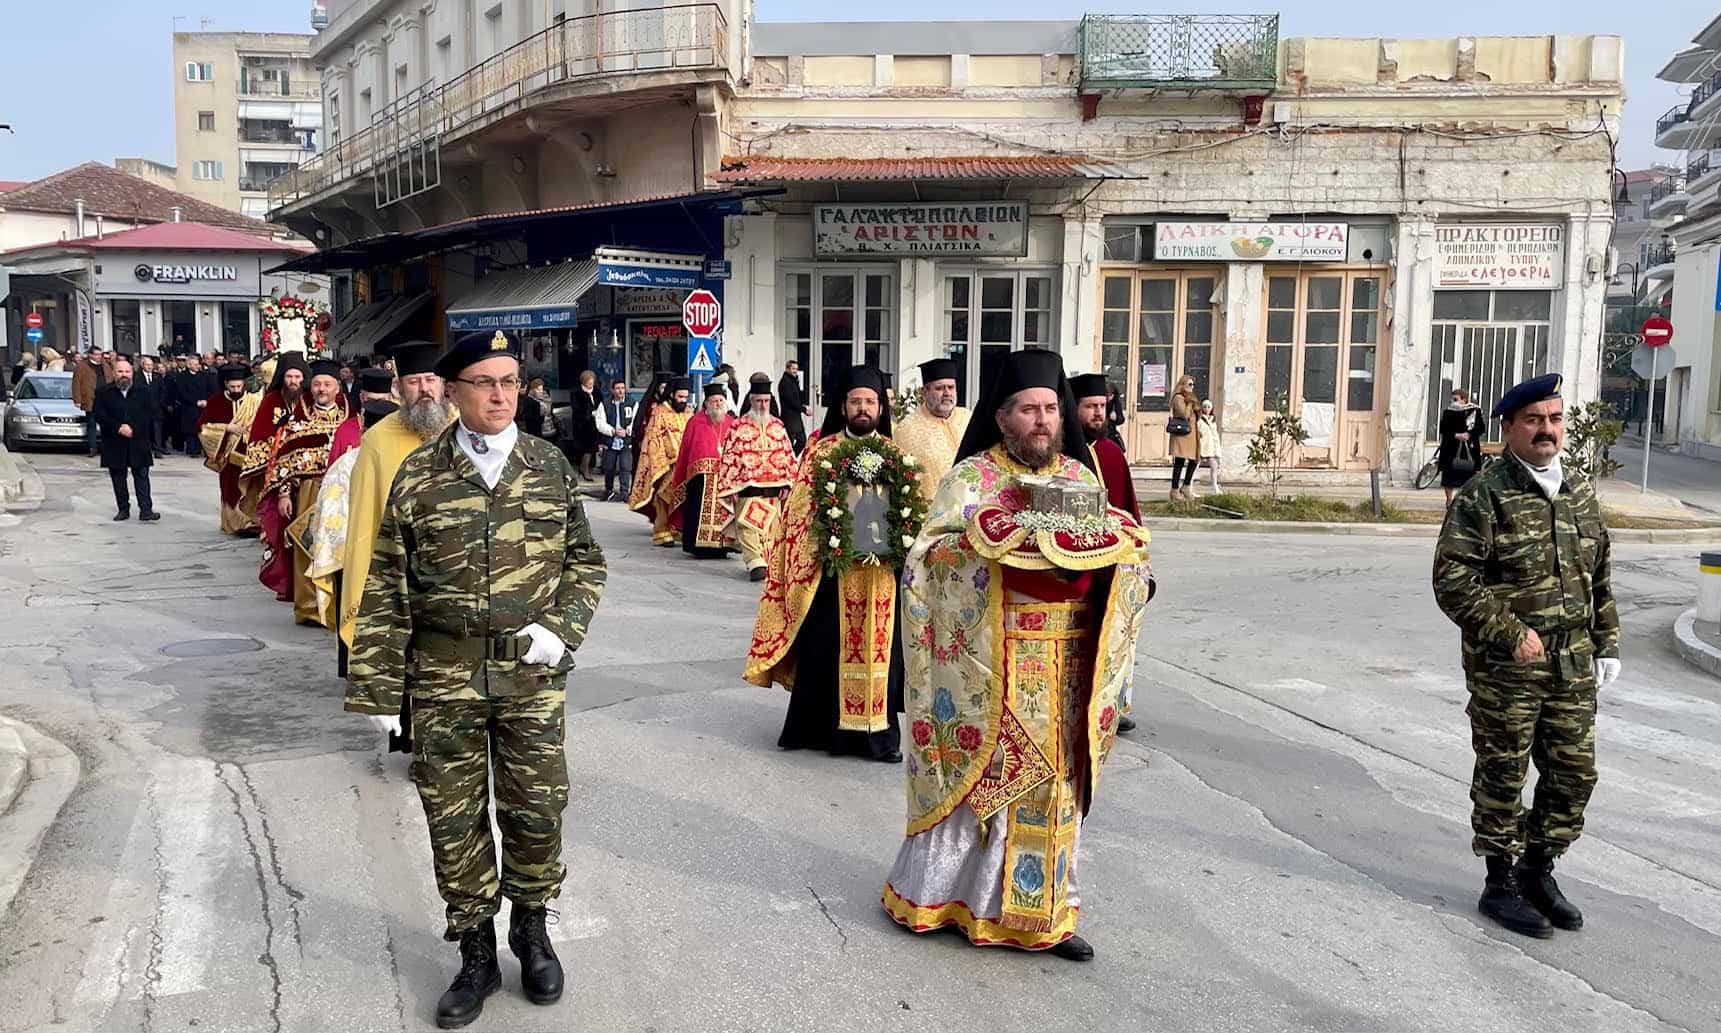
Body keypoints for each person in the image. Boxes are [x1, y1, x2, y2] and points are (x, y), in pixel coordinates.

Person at [346, 330, 606, 1029]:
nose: (500, 394)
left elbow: (586, 561)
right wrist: (378, 690)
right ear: (453, 391)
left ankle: (531, 928)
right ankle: (476, 948)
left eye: (511, 381)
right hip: (442, 673)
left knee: (535, 807)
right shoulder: (420, 475)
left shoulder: (548, 465)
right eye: (485, 382)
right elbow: (388, 586)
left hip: (530, 674)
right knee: (453, 817)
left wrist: (561, 629)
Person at [883, 349, 1152, 960]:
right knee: (989, 780)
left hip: (1068, 667)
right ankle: (955, 898)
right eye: (1029, 409)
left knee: (1055, 784)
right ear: (1002, 417)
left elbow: (1123, 553)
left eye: (1051, 410)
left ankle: (1044, 913)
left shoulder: (1083, 481)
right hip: (991, 662)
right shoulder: (972, 479)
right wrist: (988, 546)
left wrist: (1129, 563)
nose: (1042, 420)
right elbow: (927, 560)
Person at [1432, 372, 1619, 941]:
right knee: (1504, 771)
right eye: (1534, 420)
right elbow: (1452, 578)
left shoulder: (1580, 491)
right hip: (1507, 670)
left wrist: (1607, 642)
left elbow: (1600, 574)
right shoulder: (1484, 496)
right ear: (1508, 428)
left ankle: (1538, 869)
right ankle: (1499, 882)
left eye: (1555, 419)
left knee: (1574, 774)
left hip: (1573, 663)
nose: (1547, 430)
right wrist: (1509, 631)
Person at [745, 365, 909, 763]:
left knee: (880, 655)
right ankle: (820, 732)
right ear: (843, 405)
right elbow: (797, 513)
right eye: (856, 401)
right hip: (830, 574)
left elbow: (909, 511)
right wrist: (824, 540)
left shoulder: (895, 454)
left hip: (879, 576)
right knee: (825, 651)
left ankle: (878, 739)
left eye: (870, 401)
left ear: (880, 407)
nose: (863, 408)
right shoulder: (821, 450)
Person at [333, 344, 453, 674]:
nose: (425, 389)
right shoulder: (377, 442)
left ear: (444, 385)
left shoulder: (466, 430)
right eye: (415, 381)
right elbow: (363, 525)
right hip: (403, 581)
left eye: (431, 379)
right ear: (398, 389)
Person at [243, 356, 350, 622]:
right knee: (306, 546)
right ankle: (309, 608)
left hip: (342, 492)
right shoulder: (296, 421)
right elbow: (283, 460)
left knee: (338, 546)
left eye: (327, 384)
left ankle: (339, 605)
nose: (321, 390)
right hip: (306, 492)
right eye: (317, 385)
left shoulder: (351, 421)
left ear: (337, 387)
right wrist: (283, 493)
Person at [715, 374, 798, 581]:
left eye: (766, 401)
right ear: (751, 400)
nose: (762, 405)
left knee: (771, 533)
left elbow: (788, 457)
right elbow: (729, 459)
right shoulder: (738, 427)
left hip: (774, 494)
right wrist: (731, 489)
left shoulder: (778, 426)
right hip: (748, 492)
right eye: (759, 401)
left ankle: (766, 564)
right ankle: (754, 564)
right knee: (749, 528)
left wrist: (788, 483)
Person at [669, 384, 738, 558]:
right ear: (706, 403)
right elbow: (688, 452)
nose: (718, 404)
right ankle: (699, 547)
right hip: (700, 480)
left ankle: (723, 547)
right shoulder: (695, 422)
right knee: (698, 508)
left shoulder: (731, 423)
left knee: (726, 511)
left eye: (721, 401)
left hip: (724, 479)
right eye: (714, 401)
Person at [891, 357, 973, 502]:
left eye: (951, 387)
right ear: (924, 392)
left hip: (972, 507)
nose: (947, 393)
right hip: (931, 516)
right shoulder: (907, 429)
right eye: (940, 388)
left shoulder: (968, 418)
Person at [91, 356, 160, 522]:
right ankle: (123, 509)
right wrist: (118, 427)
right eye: (120, 371)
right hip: (114, 440)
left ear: (132, 373)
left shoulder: (143, 391)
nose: (124, 375)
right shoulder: (103, 392)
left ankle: (146, 510)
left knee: (142, 476)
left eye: (127, 371)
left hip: (138, 439)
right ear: (114, 373)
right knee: (118, 477)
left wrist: (133, 427)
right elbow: (99, 414)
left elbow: (149, 413)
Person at [627, 377, 692, 546]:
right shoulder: (659, 412)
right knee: (664, 497)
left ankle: (677, 529)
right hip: (666, 464)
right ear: (672, 395)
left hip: (685, 464)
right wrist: (664, 461)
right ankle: (661, 531)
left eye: (686, 397)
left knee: (683, 498)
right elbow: (653, 439)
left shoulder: (688, 413)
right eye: (680, 397)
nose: (683, 401)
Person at [196, 364, 260, 535]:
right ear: (225, 384)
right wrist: (227, 428)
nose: (236, 389)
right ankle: (234, 525)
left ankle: (252, 521)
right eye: (232, 387)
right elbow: (203, 427)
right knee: (230, 489)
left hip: (250, 454)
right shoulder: (216, 401)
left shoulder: (253, 401)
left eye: (239, 386)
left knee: (251, 488)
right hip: (227, 455)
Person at [329, 368, 399, 465]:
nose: (376, 407)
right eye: (370, 400)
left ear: (390, 399)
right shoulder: (345, 430)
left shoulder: (399, 428)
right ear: (361, 397)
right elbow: (333, 472)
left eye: (382, 400)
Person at [1439, 387, 1486, 507]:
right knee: (1448, 476)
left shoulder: (1474, 410)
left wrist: (1469, 434)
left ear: (1464, 399)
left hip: (1469, 448)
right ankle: (1449, 500)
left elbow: (1481, 428)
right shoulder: (1448, 411)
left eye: (1456, 399)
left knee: (1469, 476)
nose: (1453, 402)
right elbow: (1443, 429)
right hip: (1451, 448)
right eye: (1452, 399)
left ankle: (1465, 499)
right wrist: (1456, 435)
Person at [592, 379, 635, 502]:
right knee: (609, 467)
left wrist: (627, 431)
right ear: (612, 390)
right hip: (610, 441)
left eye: (622, 388)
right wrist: (612, 431)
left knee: (625, 467)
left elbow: (634, 420)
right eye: (618, 388)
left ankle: (624, 493)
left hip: (625, 441)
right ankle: (608, 490)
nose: (621, 390)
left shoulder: (631, 403)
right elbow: (600, 423)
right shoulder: (604, 404)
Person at [174, 354, 218, 457]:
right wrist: (195, 402)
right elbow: (182, 393)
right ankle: (192, 450)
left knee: (203, 429)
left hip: (203, 407)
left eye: (198, 364)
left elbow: (210, 390)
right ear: (189, 365)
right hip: (189, 407)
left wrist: (206, 401)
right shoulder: (182, 376)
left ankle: (203, 449)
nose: (197, 366)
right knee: (190, 430)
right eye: (195, 364)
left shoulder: (204, 375)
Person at [1167, 374, 1200, 500]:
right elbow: (1184, 415)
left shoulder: (1190, 398)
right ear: (1183, 385)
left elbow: (1197, 413)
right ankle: (1174, 490)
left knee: (1194, 460)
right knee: (1179, 462)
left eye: (1193, 385)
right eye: (1190, 384)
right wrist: (1190, 403)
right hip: (1182, 434)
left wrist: (1196, 405)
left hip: (1192, 435)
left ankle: (1186, 485)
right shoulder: (1178, 398)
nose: (1192, 387)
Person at [71, 347, 108, 455]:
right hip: (90, 398)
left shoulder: (105, 365)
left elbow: (110, 378)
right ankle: (92, 447)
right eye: (96, 354)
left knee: (105, 424)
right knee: (91, 424)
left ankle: (105, 447)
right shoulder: (82, 366)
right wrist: (77, 399)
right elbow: (76, 383)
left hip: (104, 399)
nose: (99, 357)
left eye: (100, 355)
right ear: (91, 355)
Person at [568, 370, 600, 480]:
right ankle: (584, 468)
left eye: (592, 382)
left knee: (591, 448)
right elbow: (576, 409)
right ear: (584, 381)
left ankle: (584, 467)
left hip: (594, 424)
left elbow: (601, 404)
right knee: (584, 448)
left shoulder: (596, 392)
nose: (591, 384)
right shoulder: (576, 393)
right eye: (589, 383)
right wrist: (589, 413)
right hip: (581, 424)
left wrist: (598, 413)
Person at [135, 355, 168, 458]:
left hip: (156, 409)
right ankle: (146, 450)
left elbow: (163, 391)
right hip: (143, 409)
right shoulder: (137, 377)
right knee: (145, 431)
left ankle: (158, 450)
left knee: (157, 431)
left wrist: (160, 403)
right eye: (147, 365)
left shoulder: (157, 377)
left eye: (151, 365)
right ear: (142, 365)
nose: (149, 367)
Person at [777, 359, 810, 453]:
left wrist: (803, 405)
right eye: (793, 369)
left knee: (802, 440)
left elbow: (797, 397)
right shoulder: (785, 382)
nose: (795, 371)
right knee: (789, 442)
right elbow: (791, 401)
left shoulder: (793, 381)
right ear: (787, 369)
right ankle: (789, 460)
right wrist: (804, 409)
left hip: (796, 417)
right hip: (789, 418)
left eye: (796, 369)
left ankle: (792, 459)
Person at [1197, 399, 1221, 495]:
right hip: (1202, 447)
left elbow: (1215, 436)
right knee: (1194, 467)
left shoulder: (1213, 421)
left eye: (1209, 407)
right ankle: (1189, 486)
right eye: (1205, 407)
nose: (1207, 409)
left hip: (1211, 448)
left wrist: (1217, 450)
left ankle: (1215, 487)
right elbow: (1198, 432)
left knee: (1214, 467)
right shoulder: (1199, 420)